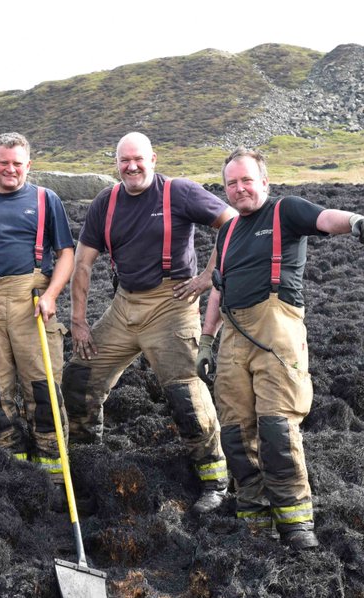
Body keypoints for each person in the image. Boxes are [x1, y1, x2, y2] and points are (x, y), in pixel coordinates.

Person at [197, 148, 364, 550]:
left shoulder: (286, 211)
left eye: (247, 180)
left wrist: (355, 222)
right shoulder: (227, 231)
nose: (240, 188)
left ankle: (297, 525)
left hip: (277, 334)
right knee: (235, 433)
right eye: (232, 183)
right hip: (231, 338)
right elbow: (217, 287)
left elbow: (325, 219)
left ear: (264, 181)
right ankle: (254, 518)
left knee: (277, 431)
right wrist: (206, 341)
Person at [64, 131, 236, 514]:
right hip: (124, 305)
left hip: (172, 304)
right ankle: (86, 462)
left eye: (138, 158)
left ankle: (214, 478)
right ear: (116, 164)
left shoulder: (180, 192)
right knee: (79, 378)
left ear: (153, 158)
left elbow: (232, 223)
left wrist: (209, 275)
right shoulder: (104, 204)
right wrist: (78, 321)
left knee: (186, 396)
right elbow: (83, 264)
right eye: (124, 160)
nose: (132, 166)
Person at [0, 132, 75, 489]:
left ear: (29, 165)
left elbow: (66, 253)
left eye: (17, 164)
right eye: (3, 163)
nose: (10, 170)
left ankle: (54, 474)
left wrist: (53, 294)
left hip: (33, 301)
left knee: (43, 390)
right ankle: (14, 468)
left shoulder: (46, 199)